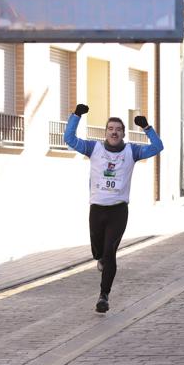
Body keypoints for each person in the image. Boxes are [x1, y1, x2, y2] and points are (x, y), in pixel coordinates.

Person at [64, 104, 164, 313]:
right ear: (106, 132)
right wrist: (76, 116)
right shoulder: (94, 149)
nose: (114, 132)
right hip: (97, 209)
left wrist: (147, 128)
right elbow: (70, 139)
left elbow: (157, 147)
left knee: (110, 252)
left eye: (118, 129)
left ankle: (104, 295)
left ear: (123, 134)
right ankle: (99, 258)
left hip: (118, 210)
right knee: (98, 250)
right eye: (110, 129)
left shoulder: (132, 151)